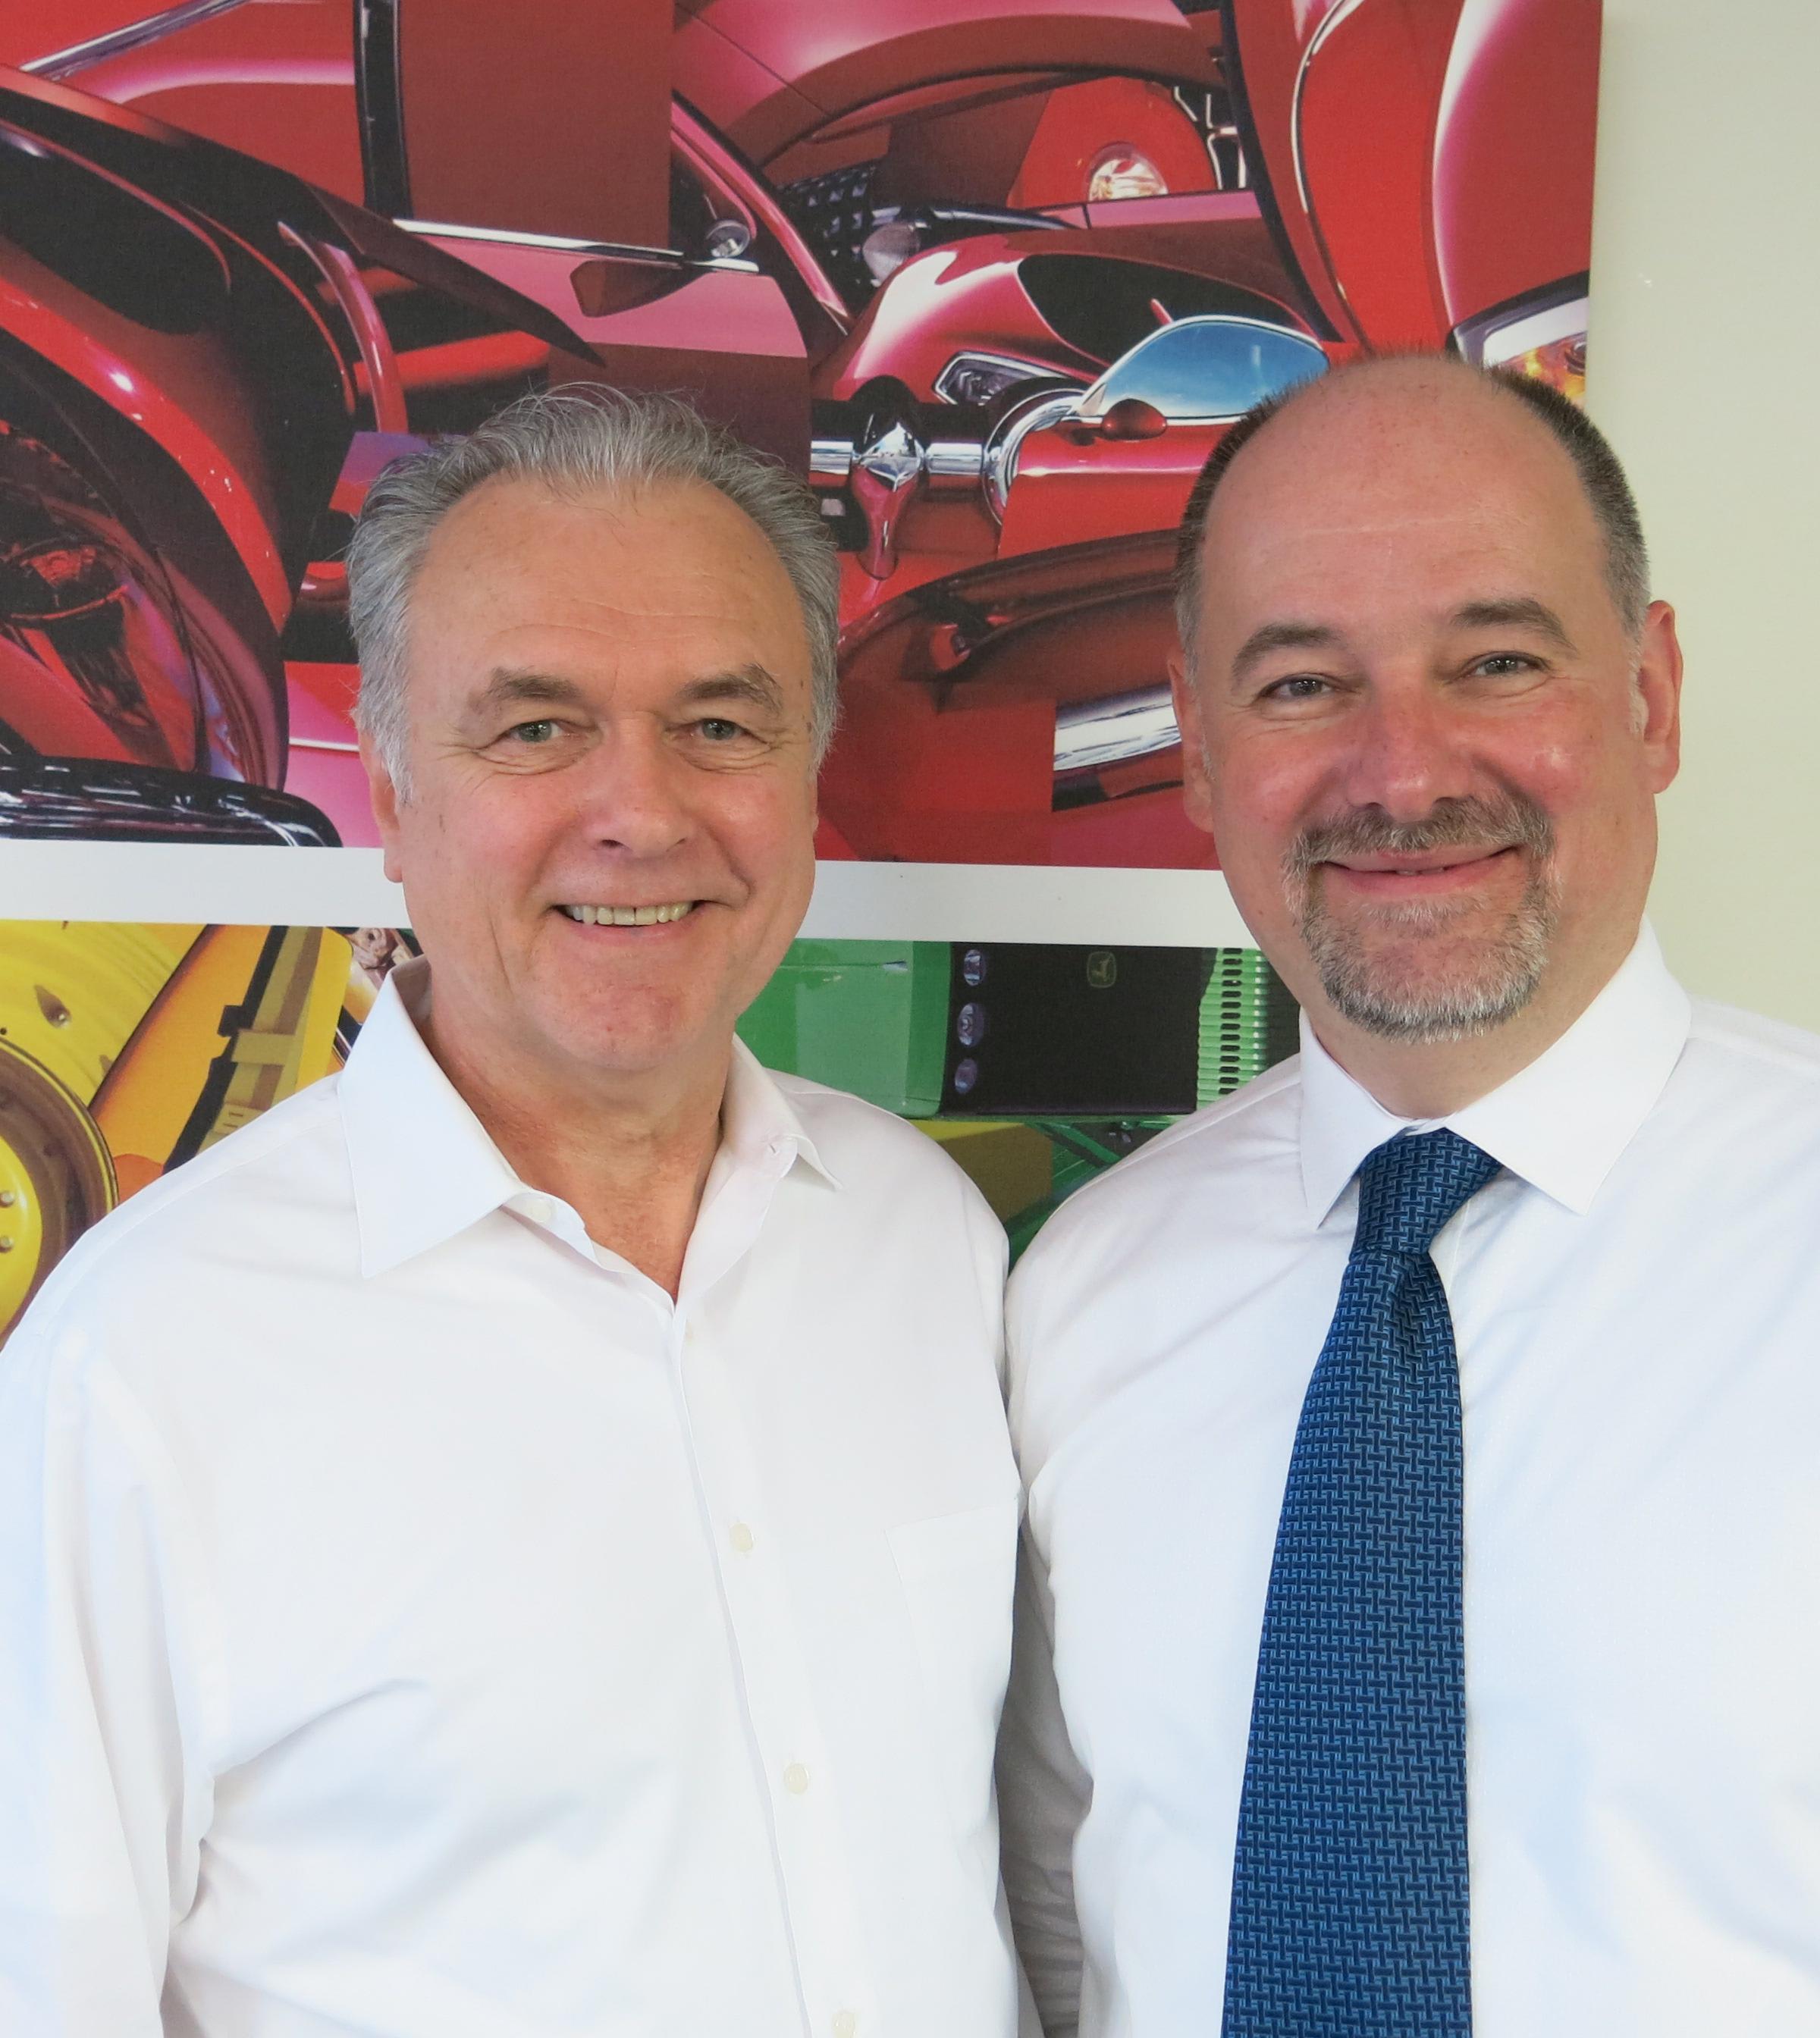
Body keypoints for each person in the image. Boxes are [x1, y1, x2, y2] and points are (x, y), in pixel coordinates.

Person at [0, 388, 1026, 2036]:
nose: (642, 813)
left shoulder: (925, 1241)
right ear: (393, 802)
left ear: (806, 780)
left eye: (721, 724)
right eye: (536, 728)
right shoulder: (136, 1369)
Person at [996, 355, 1820, 2036]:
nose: (1402, 773)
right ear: (1201, 749)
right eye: (1303, 685)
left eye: (1497, 661)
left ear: (1652, 699)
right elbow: (1076, 1923)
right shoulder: (1083, 1292)